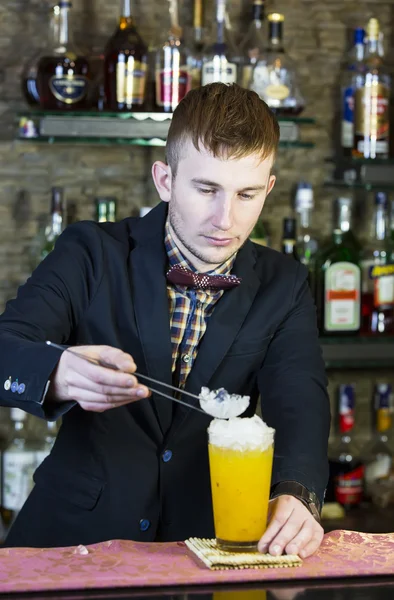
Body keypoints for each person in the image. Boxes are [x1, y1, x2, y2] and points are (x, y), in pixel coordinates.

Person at [0, 83, 330, 557]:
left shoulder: (286, 283)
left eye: (247, 194)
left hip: (208, 547)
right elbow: (6, 345)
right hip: (71, 541)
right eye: (206, 189)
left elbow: (301, 402)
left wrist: (298, 493)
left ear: (270, 188)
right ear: (165, 179)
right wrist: (57, 371)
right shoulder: (90, 253)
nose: (225, 219)